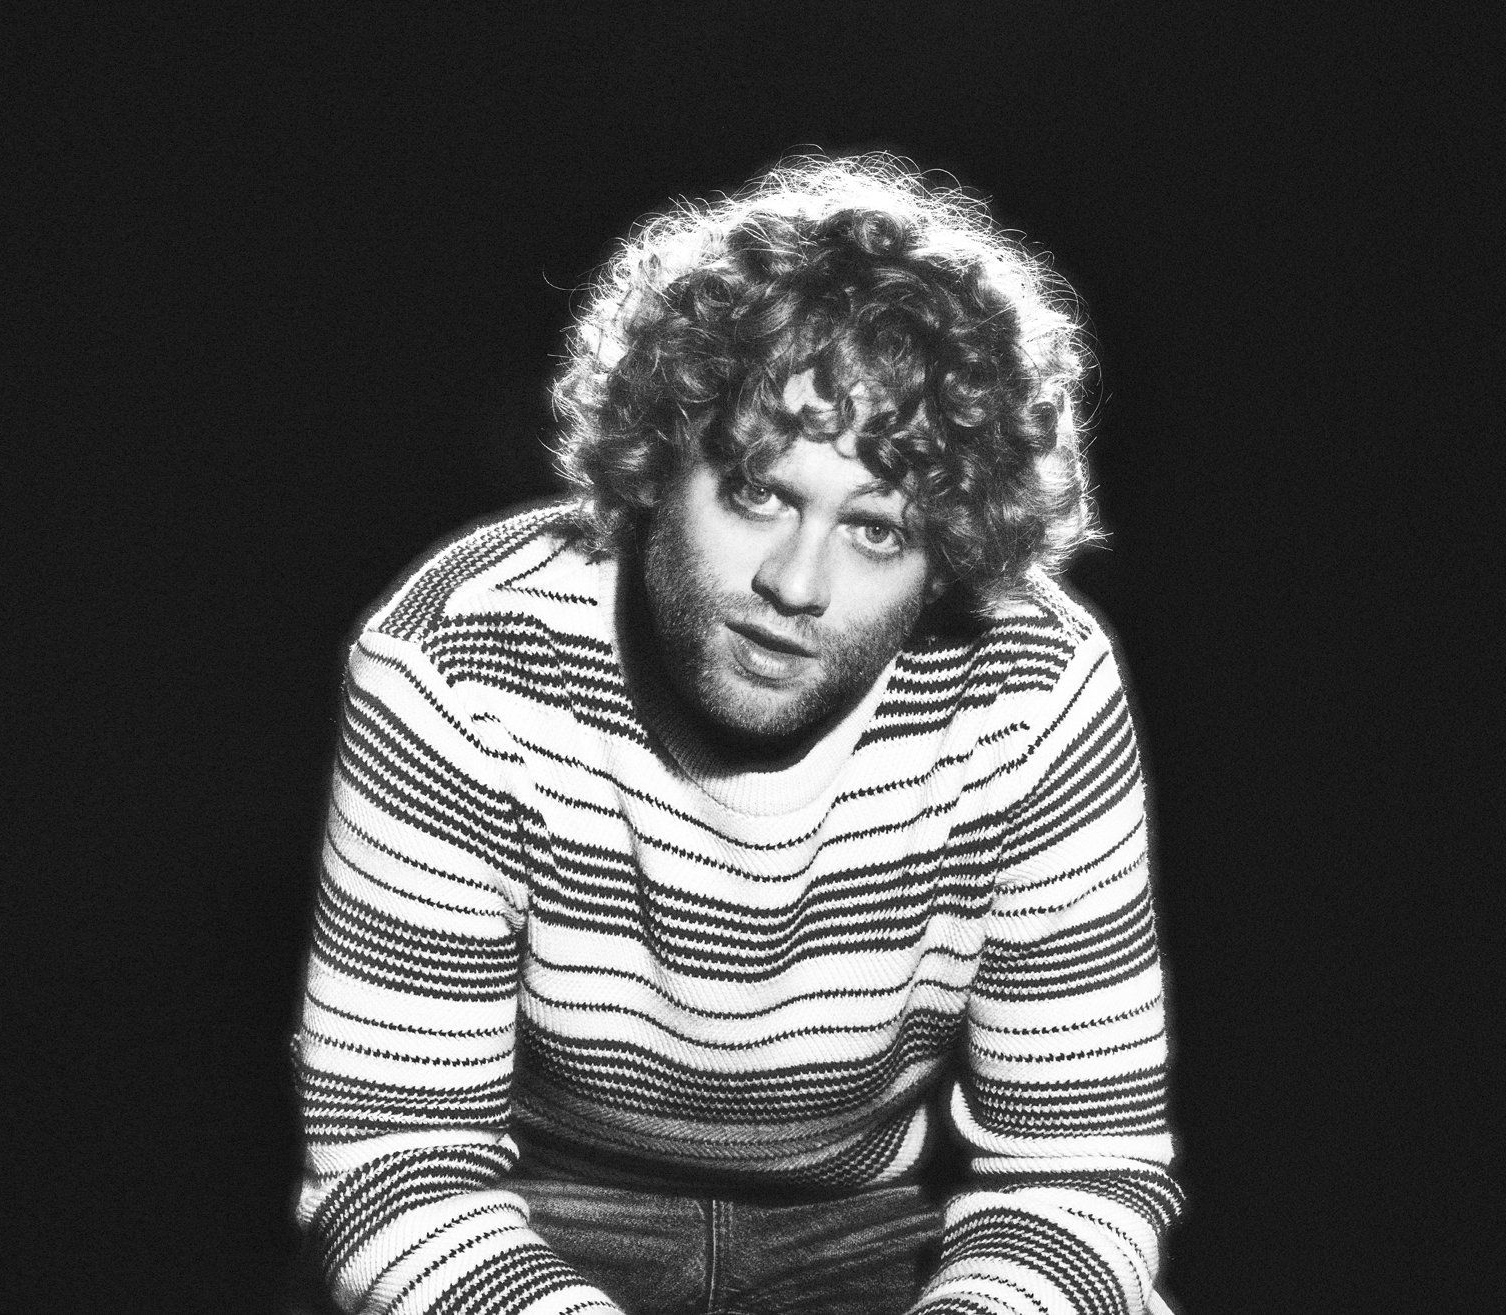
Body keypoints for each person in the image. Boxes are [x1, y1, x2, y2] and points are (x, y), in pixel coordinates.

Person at [291, 155, 1181, 1315]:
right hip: (537, 1209)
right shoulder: (459, 658)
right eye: (758, 491)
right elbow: (395, 1163)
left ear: (945, 555)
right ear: (659, 462)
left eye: (875, 530)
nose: (795, 585)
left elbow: (1076, 1170)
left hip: (879, 1226)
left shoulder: (1035, 686)